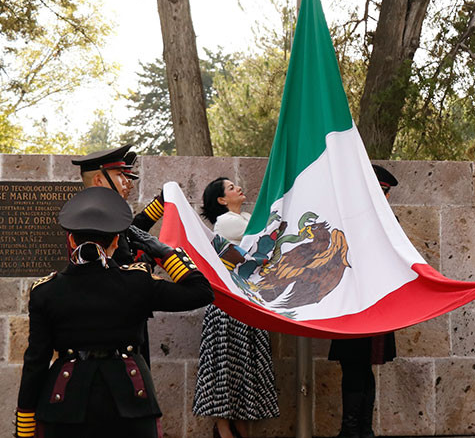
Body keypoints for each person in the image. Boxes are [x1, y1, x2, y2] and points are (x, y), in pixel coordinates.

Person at [14, 187, 213, 438]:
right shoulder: (137, 282)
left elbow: (36, 363)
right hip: (131, 400)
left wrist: (25, 426)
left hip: (64, 404)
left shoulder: (46, 291)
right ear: (116, 242)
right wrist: (165, 253)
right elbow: (201, 292)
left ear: (71, 240)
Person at [192, 177, 280, 438]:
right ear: (221, 200)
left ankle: (240, 425)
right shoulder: (227, 223)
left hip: (246, 304)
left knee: (244, 369)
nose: (238, 188)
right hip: (229, 308)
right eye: (231, 188)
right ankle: (223, 427)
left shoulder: (244, 220)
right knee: (225, 370)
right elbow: (263, 241)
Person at [72, 144, 166, 366]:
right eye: (120, 176)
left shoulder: (106, 214)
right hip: (112, 324)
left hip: (124, 315)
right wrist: (154, 256)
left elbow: (132, 230)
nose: (127, 183)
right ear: (98, 180)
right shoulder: (95, 219)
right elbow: (120, 270)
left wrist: (160, 205)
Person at [328, 164, 398, 438]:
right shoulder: (358, 220)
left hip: (365, 305)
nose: (385, 197)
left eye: (386, 193)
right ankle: (359, 431)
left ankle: (355, 431)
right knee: (358, 370)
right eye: (382, 191)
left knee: (357, 370)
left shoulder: (377, 222)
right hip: (359, 305)